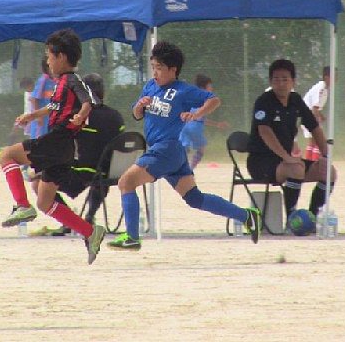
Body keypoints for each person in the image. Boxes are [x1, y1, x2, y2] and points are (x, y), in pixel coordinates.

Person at [109, 41, 261, 251]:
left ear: (173, 70)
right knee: (194, 199)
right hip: (172, 153)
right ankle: (246, 216)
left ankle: (132, 237)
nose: (155, 72)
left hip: (165, 149)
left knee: (126, 182)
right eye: (153, 67)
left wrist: (197, 114)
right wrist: (140, 106)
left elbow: (214, 100)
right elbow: (136, 114)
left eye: (159, 68)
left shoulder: (183, 90)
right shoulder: (150, 86)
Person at [0, 29, 106, 264]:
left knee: (7, 155)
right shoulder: (61, 83)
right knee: (45, 202)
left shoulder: (73, 80)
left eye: (49, 56)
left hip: (58, 141)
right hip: (63, 148)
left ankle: (22, 205)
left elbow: (88, 102)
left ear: (61, 57)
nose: (47, 61)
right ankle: (90, 232)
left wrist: (81, 116)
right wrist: (32, 115)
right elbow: (54, 107)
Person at [30, 72, 125, 235]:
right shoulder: (116, 117)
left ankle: (70, 221)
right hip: (110, 172)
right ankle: (89, 216)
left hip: (82, 172)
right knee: (99, 171)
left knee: (38, 182)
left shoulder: (77, 116)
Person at [247, 59, 337, 219]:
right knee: (295, 169)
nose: (281, 84)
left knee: (329, 172)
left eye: (285, 79)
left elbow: (314, 127)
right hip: (261, 162)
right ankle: (292, 219)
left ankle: (311, 217)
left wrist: (325, 155)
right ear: (270, 82)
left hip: (287, 162)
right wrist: (286, 157)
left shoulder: (295, 100)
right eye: (276, 79)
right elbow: (265, 131)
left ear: (293, 82)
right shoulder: (264, 101)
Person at [179, 74, 227, 169]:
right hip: (194, 128)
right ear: (203, 87)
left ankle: (182, 168)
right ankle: (190, 169)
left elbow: (200, 118)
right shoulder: (204, 99)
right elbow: (198, 118)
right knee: (201, 149)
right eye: (210, 86)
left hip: (184, 127)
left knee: (184, 149)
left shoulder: (192, 96)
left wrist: (217, 124)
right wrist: (217, 124)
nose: (211, 89)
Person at [301, 66, 331, 162]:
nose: (336, 79)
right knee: (318, 141)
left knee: (312, 142)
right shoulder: (321, 87)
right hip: (307, 115)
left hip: (306, 115)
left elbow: (315, 107)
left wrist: (321, 116)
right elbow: (314, 108)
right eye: (334, 76)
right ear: (326, 77)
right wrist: (317, 121)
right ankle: (315, 163)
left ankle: (309, 163)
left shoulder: (324, 88)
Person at [30, 59, 56, 138]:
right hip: (42, 119)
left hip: (51, 118)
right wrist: (38, 117)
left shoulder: (57, 80)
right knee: (39, 139)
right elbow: (34, 99)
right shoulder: (43, 80)